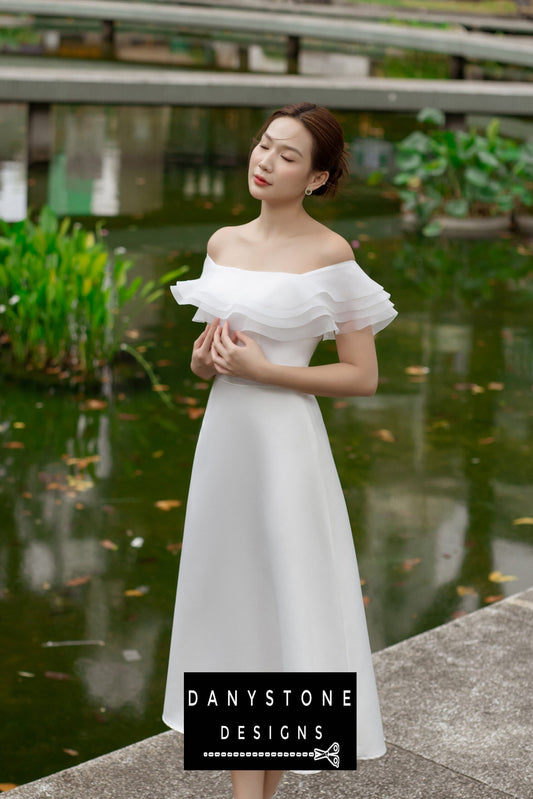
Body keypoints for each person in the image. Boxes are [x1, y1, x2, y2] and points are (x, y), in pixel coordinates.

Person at [163, 102, 397, 799]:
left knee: (285, 601)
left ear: (318, 175)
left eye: (287, 155)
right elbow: (210, 361)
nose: (264, 161)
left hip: (286, 451)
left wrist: (269, 372)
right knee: (235, 603)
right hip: (225, 449)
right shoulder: (223, 243)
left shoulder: (331, 254)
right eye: (264, 146)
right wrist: (207, 362)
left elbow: (361, 375)